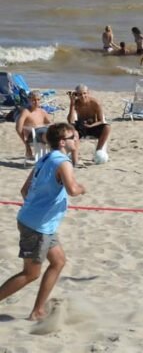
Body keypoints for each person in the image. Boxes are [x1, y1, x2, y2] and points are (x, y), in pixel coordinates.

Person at [0, 122, 87, 321]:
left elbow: (24, 190)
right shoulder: (62, 162)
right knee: (30, 273)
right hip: (37, 226)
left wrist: (37, 207)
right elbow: (73, 190)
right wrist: (83, 188)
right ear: (63, 142)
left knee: (58, 261)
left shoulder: (45, 158)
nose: (77, 139)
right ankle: (35, 310)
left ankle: (38, 310)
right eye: (73, 137)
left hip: (39, 223)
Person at [66, 84, 111, 164]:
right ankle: (75, 157)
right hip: (81, 126)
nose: (83, 96)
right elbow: (70, 120)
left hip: (93, 125)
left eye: (84, 93)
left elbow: (101, 121)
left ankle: (98, 152)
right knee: (71, 128)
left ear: (88, 93)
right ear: (76, 95)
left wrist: (91, 125)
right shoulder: (76, 103)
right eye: (80, 94)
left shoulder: (95, 103)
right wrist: (72, 104)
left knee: (107, 127)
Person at [15, 91, 53, 160]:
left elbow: (51, 123)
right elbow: (18, 128)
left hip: (44, 132)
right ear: (29, 100)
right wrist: (26, 145)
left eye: (38, 100)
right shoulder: (26, 112)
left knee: (57, 133)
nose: (36, 102)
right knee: (51, 136)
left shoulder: (42, 111)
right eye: (33, 100)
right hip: (33, 135)